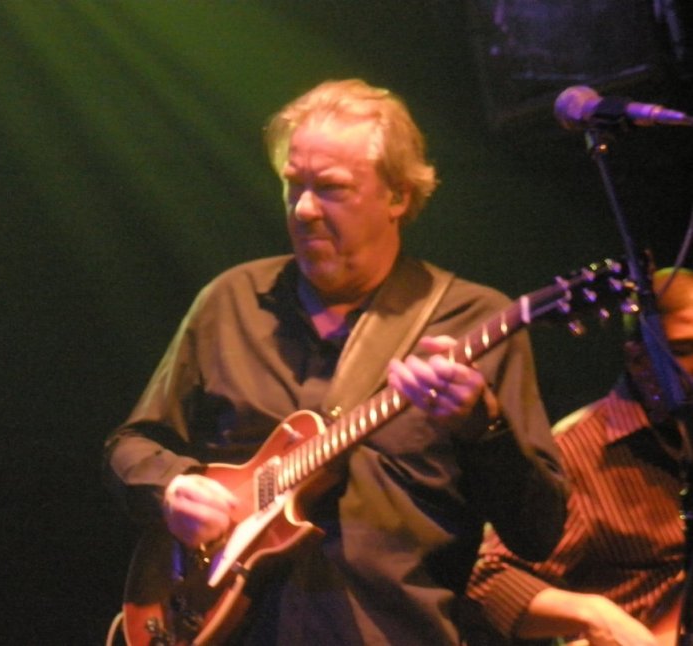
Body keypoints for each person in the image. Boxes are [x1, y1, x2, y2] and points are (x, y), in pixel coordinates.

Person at [104, 78, 567, 645]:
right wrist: (174, 487)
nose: (304, 208)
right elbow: (131, 444)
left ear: (397, 197)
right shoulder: (230, 301)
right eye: (292, 184)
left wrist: (483, 426)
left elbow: (538, 532)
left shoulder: (473, 322)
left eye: (330, 188)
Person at [466, 267, 693, 645]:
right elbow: (487, 580)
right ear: (638, 359)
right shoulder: (580, 452)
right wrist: (596, 615)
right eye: (685, 350)